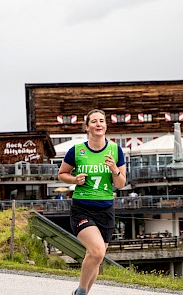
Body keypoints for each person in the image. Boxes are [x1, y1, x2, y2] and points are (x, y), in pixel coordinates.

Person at [58, 109, 126, 295]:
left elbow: (121, 184)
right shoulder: (77, 151)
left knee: (96, 257)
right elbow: (62, 173)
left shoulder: (115, 150)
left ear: (105, 125)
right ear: (87, 127)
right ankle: (80, 292)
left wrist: (114, 169)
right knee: (96, 252)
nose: (98, 124)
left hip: (106, 209)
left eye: (102, 121)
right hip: (82, 208)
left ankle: (83, 292)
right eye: (94, 121)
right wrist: (74, 180)